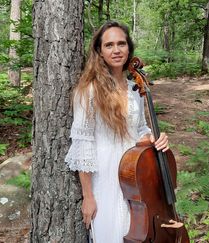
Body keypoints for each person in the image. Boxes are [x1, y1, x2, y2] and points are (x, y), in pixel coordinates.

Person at [65, 21, 169, 243]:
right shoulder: (88, 91)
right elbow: (83, 143)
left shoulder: (135, 89)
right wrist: (88, 196)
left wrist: (155, 140)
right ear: (100, 52)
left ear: (129, 48)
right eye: (109, 45)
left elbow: (140, 129)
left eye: (121, 43)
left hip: (136, 174)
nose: (116, 50)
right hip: (106, 175)